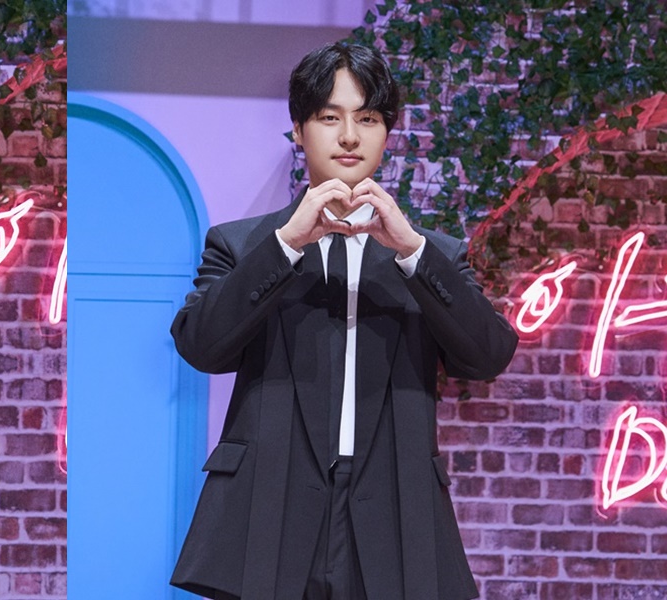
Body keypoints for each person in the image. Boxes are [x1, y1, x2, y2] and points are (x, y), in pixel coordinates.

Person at [168, 43, 518, 600]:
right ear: (300, 130)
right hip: (270, 505)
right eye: (330, 117)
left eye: (369, 119)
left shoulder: (434, 253)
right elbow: (202, 347)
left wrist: (412, 253)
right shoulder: (243, 245)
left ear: (387, 133)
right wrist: (284, 246)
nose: (349, 136)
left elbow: (487, 355)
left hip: (394, 509)